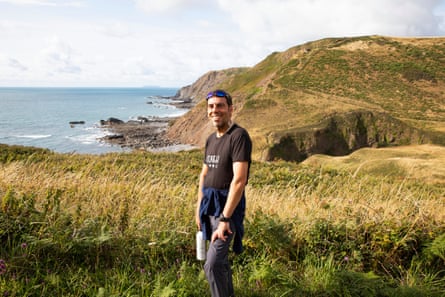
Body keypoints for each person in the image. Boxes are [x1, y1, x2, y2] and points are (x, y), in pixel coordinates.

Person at [195, 89, 252, 297]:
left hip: (227, 209)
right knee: (221, 264)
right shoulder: (211, 139)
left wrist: (225, 218)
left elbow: (239, 180)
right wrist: (198, 210)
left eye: (220, 106)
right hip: (208, 207)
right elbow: (204, 175)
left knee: (212, 264)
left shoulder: (238, 136)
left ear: (230, 109)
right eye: (211, 106)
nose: (215, 110)